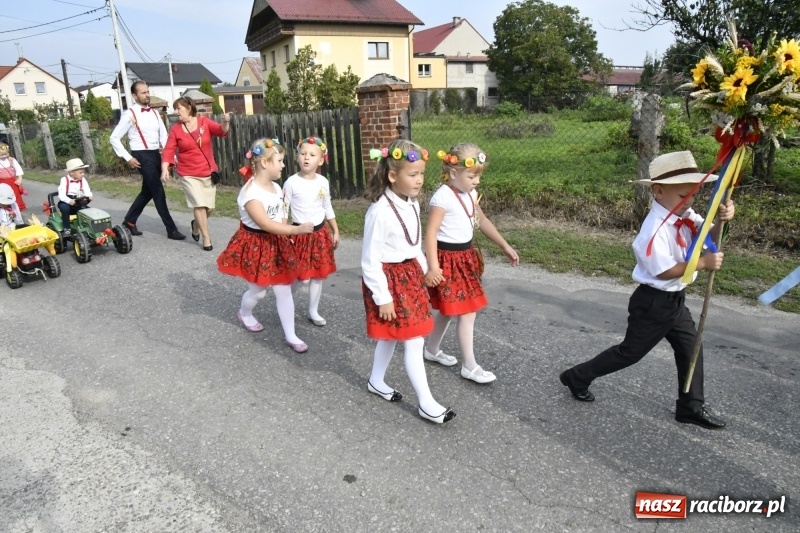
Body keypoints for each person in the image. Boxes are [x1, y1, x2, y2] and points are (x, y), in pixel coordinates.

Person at [559, 150, 735, 430]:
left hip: (675, 300)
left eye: (692, 195)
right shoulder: (654, 229)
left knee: (691, 349)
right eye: (682, 196)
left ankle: (690, 407)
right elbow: (663, 270)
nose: (689, 201)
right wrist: (702, 263)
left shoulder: (685, 214)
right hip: (653, 302)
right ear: (658, 191)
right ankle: (578, 375)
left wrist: (723, 220)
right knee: (630, 352)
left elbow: (708, 235)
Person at [361, 139, 455, 424]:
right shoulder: (379, 212)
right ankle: (426, 403)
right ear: (392, 176)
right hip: (388, 282)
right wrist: (383, 297)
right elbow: (369, 261)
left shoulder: (411, 203)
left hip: (409, 276)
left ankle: (376, 380)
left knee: (394, 336)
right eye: (412, 175)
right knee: (413, 340)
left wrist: (426, 269)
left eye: (422, 174)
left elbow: (414, 245)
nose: (419, 180)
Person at [424, 143, 520, 384]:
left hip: (464, 259)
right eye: (472, 175)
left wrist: (504, 245)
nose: (476, 180)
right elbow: (431, 233)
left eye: (479, 175)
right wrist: (433, 266)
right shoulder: (442, 197)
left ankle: (431, 349)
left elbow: (482, 220)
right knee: (466, 313)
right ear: (454, 173)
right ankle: (470, 366)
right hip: (448, 261)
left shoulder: (470, 195)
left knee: (449, 310)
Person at [216, 138, 314, 353]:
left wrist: (286, 233)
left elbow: (279, 217)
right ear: (264, 163)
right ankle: (245, 313)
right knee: (259, 292)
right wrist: (295, 231)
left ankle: (291, 335)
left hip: (276, 242)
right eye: (279, 161)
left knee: (283, 289)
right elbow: (265, 223)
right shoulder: (250, 193)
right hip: (256, 244)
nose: (283, 165)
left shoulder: (277, 187)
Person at [109, 80, 185, 240]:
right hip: (141, 155)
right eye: (143, 92)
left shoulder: (155, 113)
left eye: (147, 91)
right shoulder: (129, 114)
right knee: (158, 191)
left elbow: (164, 137)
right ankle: (171, 229)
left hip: (155, 154)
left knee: (148, 191)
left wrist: (171, 156)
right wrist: (128, 157)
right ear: (134, 95)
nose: (147, 95)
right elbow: (114, 138)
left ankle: (129, 222)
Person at [161, 96, 231, 251]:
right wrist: (165, 167)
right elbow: (168, 150)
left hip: (207, 172)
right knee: (199, 204)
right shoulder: (176, 129)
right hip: (188, 173)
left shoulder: (204, 122)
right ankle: (207, 239)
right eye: (176, 109)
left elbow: (221, 131)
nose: (176, 112)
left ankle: (196, 225)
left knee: (209, 208)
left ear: (189, 108)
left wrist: (225, 122)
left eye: (179, 108)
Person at [282, 136, 339, 326]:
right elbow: (284, 209)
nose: (307, 157)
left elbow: (327, 206)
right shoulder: (291, 182)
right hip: (299, 236)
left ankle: (313, 310)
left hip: (320, 234)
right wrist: (285, 232)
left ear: (321, 160)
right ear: (297, 157)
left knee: (317, 276)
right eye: (303, 153)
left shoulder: (322, 182)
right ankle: (283, 298)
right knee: (302, 278)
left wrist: (335, 231)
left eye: (312, 155)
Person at [56, 158, 93, 237]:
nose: (83, 174)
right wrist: (69, 201)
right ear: (72, 172)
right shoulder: (64, 180)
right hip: (66, 200)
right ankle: (67, 229)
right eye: (81, 172)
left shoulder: (82, 180)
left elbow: (86, 189)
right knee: (65, 209)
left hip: (78, 200)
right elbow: (61, 194)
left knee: (87, 210)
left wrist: (89, 195)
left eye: (83, 172)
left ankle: (87, 228)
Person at [0, 143, 26, 211]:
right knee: (3, 196)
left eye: (5, 154)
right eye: (2, 155)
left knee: (14, 195)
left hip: (12, 183)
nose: (4, 156)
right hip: (1, 183)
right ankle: (4, 210)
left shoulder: (11, 160)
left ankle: (16, 209)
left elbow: (18, 170)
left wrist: (19, 178)